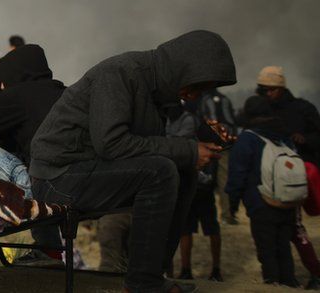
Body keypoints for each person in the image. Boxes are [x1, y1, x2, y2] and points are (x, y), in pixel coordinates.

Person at [29, 30, 236, 293]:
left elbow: (146, 148)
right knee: (160, 172)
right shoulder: (120, 74)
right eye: (196, 86)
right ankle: (143, 283)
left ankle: (151, 275)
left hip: (88, 170)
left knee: (183, 171)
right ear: (179, 68)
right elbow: (112, 144)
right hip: (57, 177)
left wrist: (201, 140)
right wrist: (188, 150)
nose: (195, 95)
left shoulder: (156, 91)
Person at [0, 44, 65, 197]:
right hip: (75, 183)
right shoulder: (65, 92)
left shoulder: (19, 94)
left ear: (15, 73)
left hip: (42, 186)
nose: (2, 86)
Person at [256, 65, 320, 289]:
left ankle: (315, 272)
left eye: (271, 90)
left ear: (281, 89)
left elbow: (318, 135)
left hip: (297, 178)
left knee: (295, 228)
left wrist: (305, 139)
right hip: (271, 180)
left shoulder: (303, 109)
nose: (267, 94)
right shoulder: (262, 112)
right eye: (263, 90)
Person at [226, 96, 298, 287]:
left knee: (267, 250)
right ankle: (290, 284)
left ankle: (273, 284)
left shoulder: (248, 139)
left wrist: (232, 203)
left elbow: (237, 175)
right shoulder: (284, 136)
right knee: (284, 248)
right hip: (288, 202)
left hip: (261, 203)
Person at [166, 99, 222, 282]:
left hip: (197, 182)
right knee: (186, 229)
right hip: (188, 181)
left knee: (205, 227)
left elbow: (176, 143)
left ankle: (214, 269)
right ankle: (187, 269)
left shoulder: (189, 121)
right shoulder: (175, 119)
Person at [196, 88, 239, 225]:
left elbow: (199, 121)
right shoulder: (225, 99)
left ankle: (197, 214)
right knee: (224, 179)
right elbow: (232, 122)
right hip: (224, 146)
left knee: (202, 179)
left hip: (206, 145)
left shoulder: (201, 99)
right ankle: (227, 215)